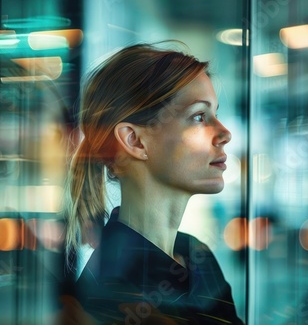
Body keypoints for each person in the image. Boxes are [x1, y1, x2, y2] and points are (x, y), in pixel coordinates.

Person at [64, 42, 243, 324]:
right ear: (135, 140)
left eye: (215, 114)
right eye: (199, 116)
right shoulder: (113, 290)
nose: (225, 133)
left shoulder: (197, 255)